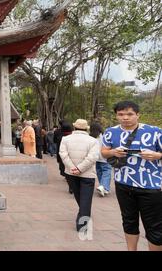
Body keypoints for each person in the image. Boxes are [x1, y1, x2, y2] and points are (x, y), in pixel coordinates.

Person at [101, 101, 162, 251]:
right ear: (116, 116)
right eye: (121, 114)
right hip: (123, 184)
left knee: (155, 226)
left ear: (138, 115)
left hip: (151, 186)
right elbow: (104, 152)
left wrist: (156, 155)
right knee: (129, 222)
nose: (125, 118)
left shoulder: (155, 132)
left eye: (129, 114)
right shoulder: (110, 132)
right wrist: (113, 152)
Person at [59, 119, 99, 233]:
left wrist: (73, 168)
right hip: (87, 174)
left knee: (78, 196)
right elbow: (92, 158)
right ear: (86, 128)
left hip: (70, 173)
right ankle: (82, 225)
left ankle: (82, 214)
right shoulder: (93, 141)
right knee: (86, 199)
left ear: (74, 127)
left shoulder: (65, 139)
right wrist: (80, 168)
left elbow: (63, 154)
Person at [90, 122, 111, 197]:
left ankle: (102, 186)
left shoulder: (90, 137)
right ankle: (103, 187)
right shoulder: (104, 137)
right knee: (106, 172)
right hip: (105, 158)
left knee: (99, 172)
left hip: (95, 159)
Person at [55, 120, 74, 193]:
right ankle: (72, 186)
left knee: (66, 168)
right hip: (71, 154)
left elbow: (55, 142)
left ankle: (71, 186)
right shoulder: (72, 136)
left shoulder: (59, 135)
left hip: (62, 153)